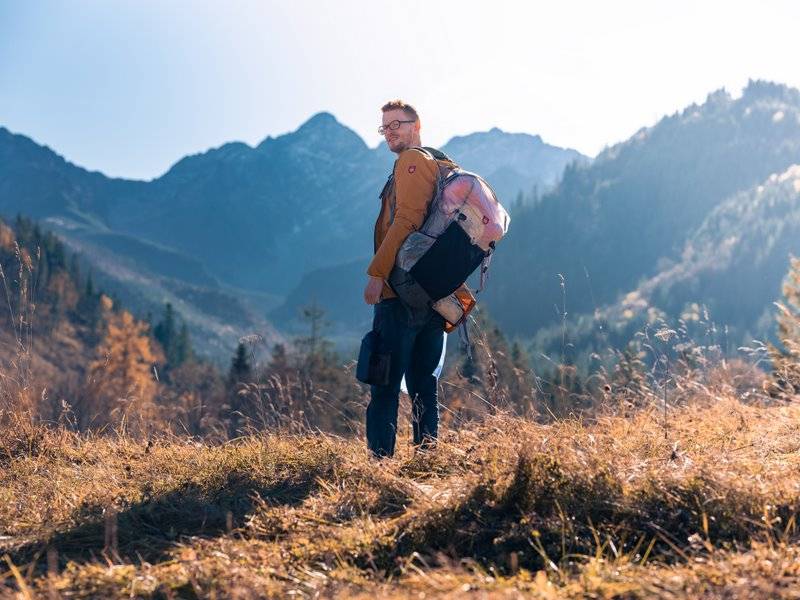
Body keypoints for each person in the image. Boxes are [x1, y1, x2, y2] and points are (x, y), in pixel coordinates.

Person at [363, 99, 454, 458]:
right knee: (422, 384)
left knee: (384, 384)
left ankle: (380, 464)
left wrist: (376, 274)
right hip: (433, 291)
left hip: (400, 291)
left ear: (416, 125)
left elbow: (407, 221)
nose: (389, 132)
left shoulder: (413, 161)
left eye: (396, 124)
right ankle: (427, 459)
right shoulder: (443, 163)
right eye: (384, 127)